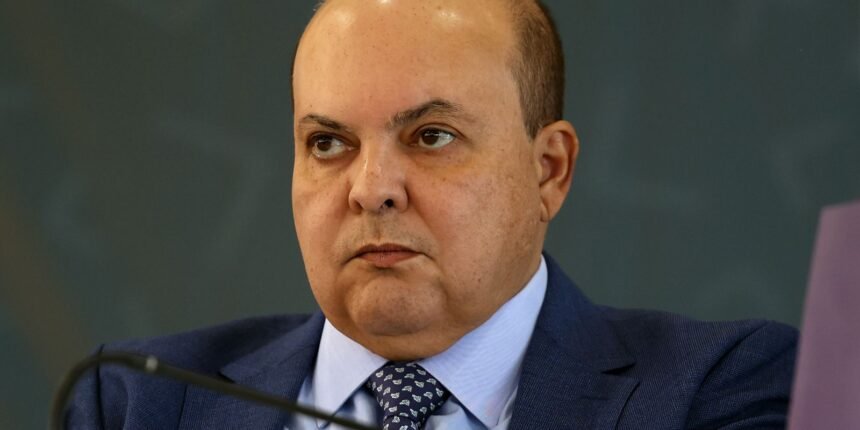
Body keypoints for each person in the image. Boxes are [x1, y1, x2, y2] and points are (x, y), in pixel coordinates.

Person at [67, 0, 797, 429]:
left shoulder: (718, 390)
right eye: (328, 143)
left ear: (549, 170)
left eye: (432, 137)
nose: (370, 188)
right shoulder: (135, 402)